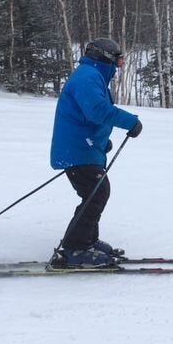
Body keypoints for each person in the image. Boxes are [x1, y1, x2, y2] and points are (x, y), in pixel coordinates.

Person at [49, 38, 142, 268]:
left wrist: (101, 143)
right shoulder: (87, 77)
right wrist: (130, 122)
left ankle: (87, 241)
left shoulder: (92, 75)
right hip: (78, 150)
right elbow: (97, 111)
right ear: (105, 57)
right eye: (118, 60)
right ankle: (75, 248)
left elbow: (84, 117)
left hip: (84, 147)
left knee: (96, 193)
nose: (120, 65)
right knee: (96, 194)